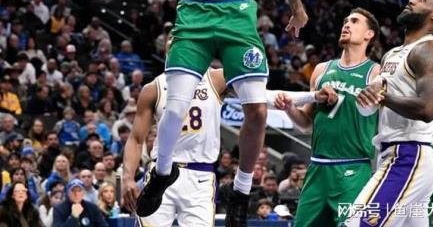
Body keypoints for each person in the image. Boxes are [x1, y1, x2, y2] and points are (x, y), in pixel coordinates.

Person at [49, 0, 308, 224]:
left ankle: (241, 190)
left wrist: (296, 6)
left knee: (257, 109)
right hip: (194, 17)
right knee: (174, 106)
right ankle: (163, 171)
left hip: (236, 16)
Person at [123, 65, 334, 226]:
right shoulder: (153, 88)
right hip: (160, 176)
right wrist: (128, 177)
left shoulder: (215, 78)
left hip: (200, 177)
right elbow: (136, 139)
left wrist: (312, 96)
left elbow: (262, 95)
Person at [348, 0, 433, 227]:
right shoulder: (392, 54)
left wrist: (383, 97)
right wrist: (369, 98)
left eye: (422, 0)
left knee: (358, 223)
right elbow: (377, 103)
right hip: (393, 152)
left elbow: (427, 109)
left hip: (408, 154)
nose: (412, 0)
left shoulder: (428, 49)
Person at [284, 8, 380, 226]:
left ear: (369, 34)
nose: (346, 24)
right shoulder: (321, 70)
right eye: (345, 21)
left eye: (354, 21)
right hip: (317, 167)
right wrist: (289, 108)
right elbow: (306, 124)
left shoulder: (376, 73)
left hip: (353, 168)